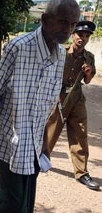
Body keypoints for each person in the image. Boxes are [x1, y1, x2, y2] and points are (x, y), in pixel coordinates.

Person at [0, 0, 80, 212]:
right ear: (44, 19)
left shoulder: (61, 55)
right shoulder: (18, 47)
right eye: (62, 21)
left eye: (72, 24)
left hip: (33, 147)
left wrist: (43, 143)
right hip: (7, 143)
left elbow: (45, 104)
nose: (67, 30)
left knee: (25, 205)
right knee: (10, 204)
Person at [44, 20, 100, 191]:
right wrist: (54, 96)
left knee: (80, 134)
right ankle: (39, 161)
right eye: (79, 35)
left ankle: (82, 173)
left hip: (76, 98)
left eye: (86, 36)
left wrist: (88, 73)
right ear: (73, 35)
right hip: (58, 97)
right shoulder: (60, 52)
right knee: (50, 133)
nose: (82, 39)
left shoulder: (89, 57)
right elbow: (48, 74)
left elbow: (88, 80)